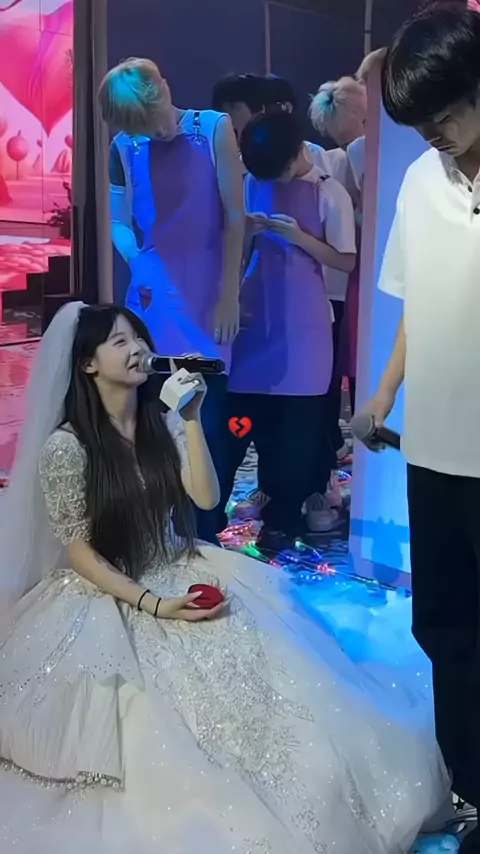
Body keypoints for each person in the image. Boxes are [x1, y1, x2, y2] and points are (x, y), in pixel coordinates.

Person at [0, 301, 451, 853]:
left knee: (283, 676)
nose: (138, 349)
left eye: (138, 338)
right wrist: (150, 602)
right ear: (87, 364)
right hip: (110, 589)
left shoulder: (159, 422)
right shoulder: (66, 448)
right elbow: (79, 552)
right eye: (119, 342)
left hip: (179, 562)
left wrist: (190, 420)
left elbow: (206, 499)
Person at [366, 5, 480, 851]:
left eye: (443, 113)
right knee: (445, 627)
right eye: (418, 122)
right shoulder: (417, 179)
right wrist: (382, 395)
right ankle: (471, 784)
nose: (433, 133)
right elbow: (417, 305)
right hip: (436, 452)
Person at [99, 57, 245, 544]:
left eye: (157, 115)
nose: (156, 130)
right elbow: (118, 220)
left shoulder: (213, 129)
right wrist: (136, 261)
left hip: (207, 296)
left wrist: (229, 292)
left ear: (165, 85)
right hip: (151, 297)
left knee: (209, 421)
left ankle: (205, 532)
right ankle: (157, 531)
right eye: (142, 125)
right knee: (149, 418)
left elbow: (235, 216)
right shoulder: (125, 145)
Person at [220, 111, 357, 550]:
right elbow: (239, 249)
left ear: (299, 151)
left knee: (298, 428)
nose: (273, 180)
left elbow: (345, 260)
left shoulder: (328, 191)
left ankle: (285, 515)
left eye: (279, 170)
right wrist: (246, 231)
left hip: (304, 322)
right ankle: (237, 501)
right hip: (256, 314)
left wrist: (299, 237)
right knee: (246, 419)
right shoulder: (252, 182)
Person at [212, 72, 332, 172]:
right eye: (221, 110)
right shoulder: (227, 163)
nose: (226, 116)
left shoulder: (312, 153)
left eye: (233, 107)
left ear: (259, 110)